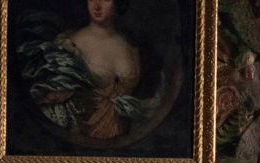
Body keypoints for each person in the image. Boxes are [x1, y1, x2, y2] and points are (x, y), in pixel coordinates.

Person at [19, 0, 163, 143]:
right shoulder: (71, 45)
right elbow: (55, 103)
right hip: (82, 141)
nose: (97, 6)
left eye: (106, 0)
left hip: (124, 142)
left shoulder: (132, 47)